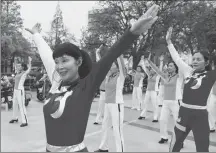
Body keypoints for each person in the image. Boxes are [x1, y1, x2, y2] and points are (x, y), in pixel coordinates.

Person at [25, 5, 159, 152]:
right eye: (57, 62)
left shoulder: (85, 85)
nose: (59, 66)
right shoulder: (57, 82)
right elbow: (47, 56)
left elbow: (110, 56)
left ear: (78, 61)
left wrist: (133, 32)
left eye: (64, 60)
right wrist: (37, 35)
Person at [166, 27, 216, 152]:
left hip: (200, 116)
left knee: (202, 148)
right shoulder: (188, 71)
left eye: (198, 59)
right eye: (193, 59)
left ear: (206, 62)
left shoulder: (211, 75)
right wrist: (169, 42)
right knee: (174, 145)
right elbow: (177, 59)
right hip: (183, 113)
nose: (194, 61)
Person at [145, 55, 183, 144]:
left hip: (176, 102)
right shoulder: (166, 76)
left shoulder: (179, 76)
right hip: (166, 102)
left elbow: (181, 66)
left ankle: (179, 140)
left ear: (176, 68)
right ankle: (164, 137)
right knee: (162, 120)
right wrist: (150, 63)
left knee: (177, 122)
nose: (168, 67)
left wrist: (178, 57)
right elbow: (158, 71)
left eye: (171, 66)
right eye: (168, 66)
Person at [95, 55, 126, 152]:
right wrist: (97, 53)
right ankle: (104, 147)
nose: (110, 67)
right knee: (104, 125)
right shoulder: (109, 75)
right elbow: (102, 65)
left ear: (117, 67)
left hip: (116, 104)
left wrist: (119, 54)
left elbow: (122, 66)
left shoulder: (121, 75)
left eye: (112, 65)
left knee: (117, 130)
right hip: (107, 104)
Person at [9, 57, 32, 127]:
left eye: (19, 66)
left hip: (20, 91)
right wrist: (15, 60)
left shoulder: (24, 73)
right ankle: (15, 118)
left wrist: (30, 62)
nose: (17, 67)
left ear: (22, 67)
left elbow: (29, 69)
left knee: (21, 106)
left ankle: (25, 121)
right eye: (17, 66)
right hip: (15, 90)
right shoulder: (17, 72)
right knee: (14, 104)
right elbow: (15, 65)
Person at [138, 55, 160, 122]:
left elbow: (159, 69)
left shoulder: (158, 75)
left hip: (154, 91)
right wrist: (142, 60)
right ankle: (143, 115)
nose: (151, 70)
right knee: (145, 102)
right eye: (150, 69)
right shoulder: (149, 75)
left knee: (154, 104)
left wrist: (161, 62)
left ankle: (155, 117)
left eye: (152, 69)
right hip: (148, 91)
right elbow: (144, 67)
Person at [94, 46, 107, 125]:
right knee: (100, 107)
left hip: (109, 92)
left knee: (109, 108)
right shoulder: (102, 70)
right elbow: (99, 61)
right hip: (102, 91)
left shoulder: (110, 72)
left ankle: (109, 121)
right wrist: (98, 52)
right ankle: (98, 119)